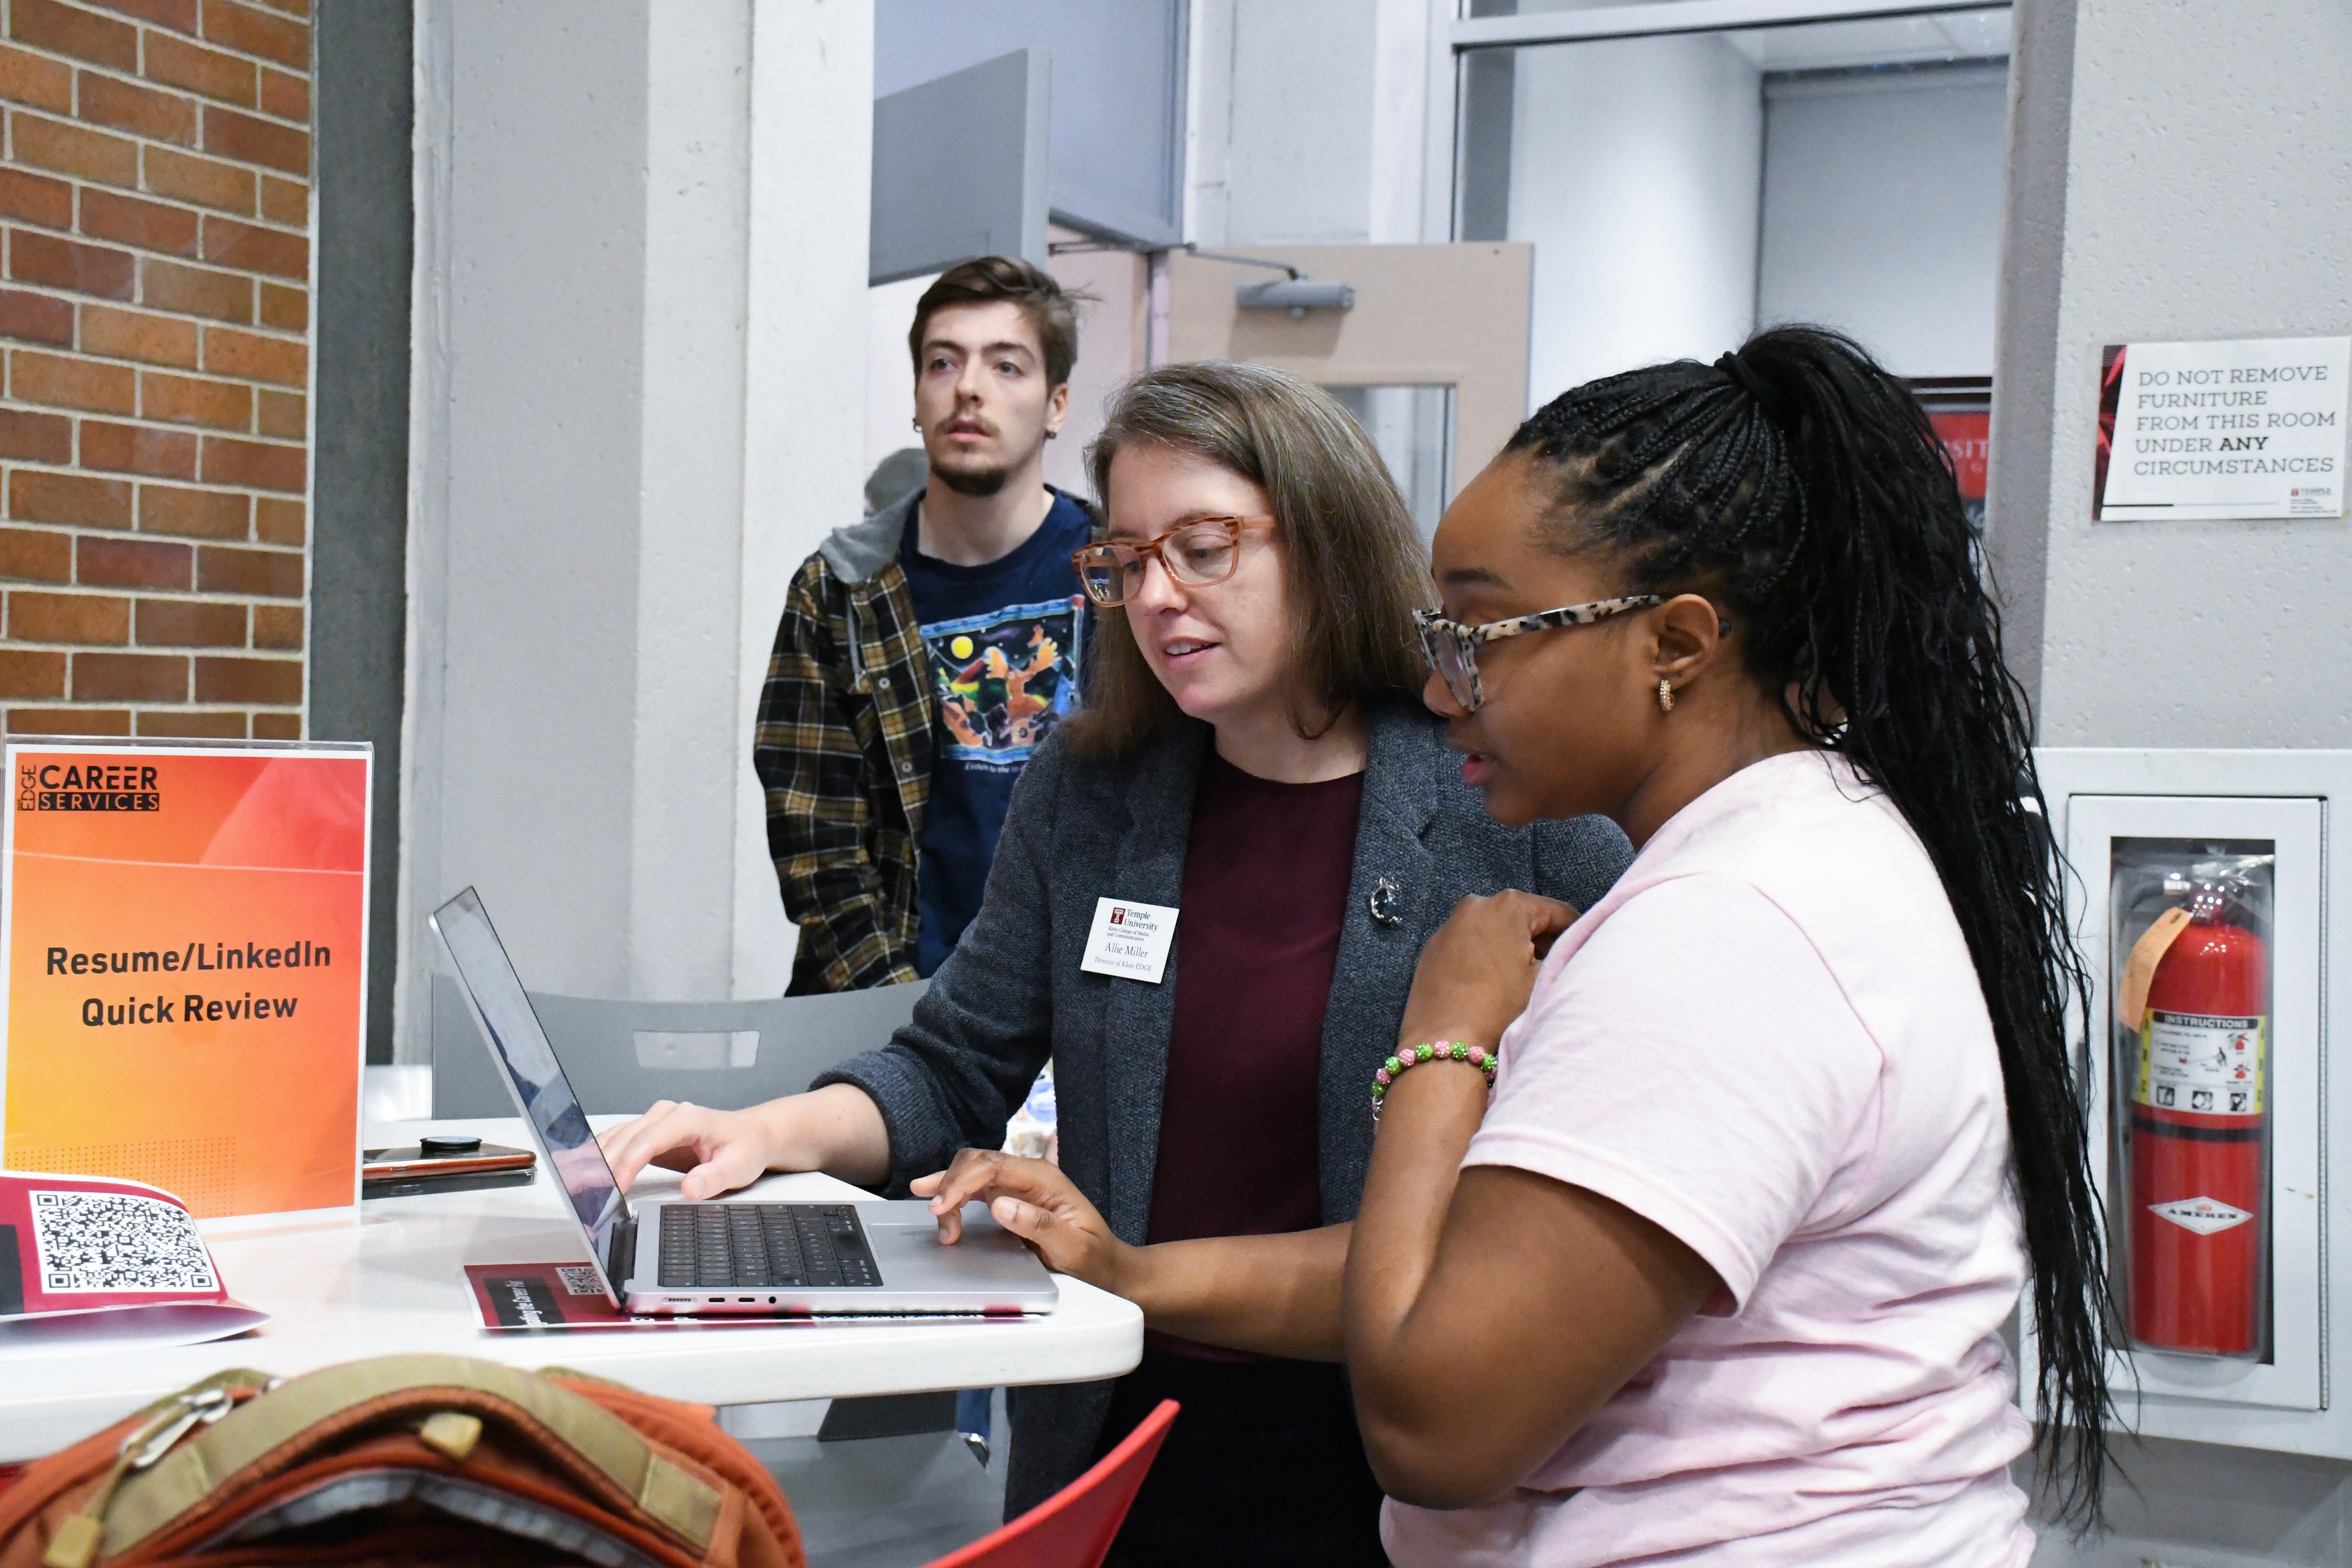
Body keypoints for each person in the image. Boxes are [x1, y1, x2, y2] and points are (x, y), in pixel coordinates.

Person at [604, 361, 1633, 1566]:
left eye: (1204, 549)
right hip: (1118, 1426)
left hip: (1392, 1458)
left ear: (1326, 544)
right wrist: (769, 1132)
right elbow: (953, 1065)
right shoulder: (1090, 792)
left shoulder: (1507, 809)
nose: (1157, 597)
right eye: (1126, 561)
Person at [1338, 325, 2112, 1565]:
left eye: (1480, 636)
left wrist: (1444, 1036)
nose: (1443, 689)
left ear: (1677, 647)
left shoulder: (1732, 931)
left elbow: (1436, 1426)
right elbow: (1518, 1260)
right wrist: (1138, 1277)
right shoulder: (1807, 846)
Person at [757, 256, 1098, 993]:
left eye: (1007, 367)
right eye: (943, 363)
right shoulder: (841, 589)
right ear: (918, 396)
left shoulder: (1121, 579)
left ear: (1057, 403)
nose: (968, 387)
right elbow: (819, 851)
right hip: (892, 1007)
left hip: (1079, 1012)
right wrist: (910, 1034)